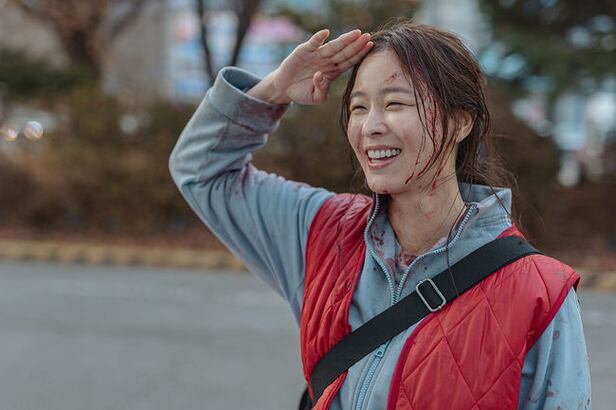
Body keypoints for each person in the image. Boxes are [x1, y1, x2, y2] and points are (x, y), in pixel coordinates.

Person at [169, 20, 591, 410]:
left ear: (461, 122)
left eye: (395, 103)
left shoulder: (538, 293)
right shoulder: (324, 232)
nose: (370, 126)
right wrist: (276, 88)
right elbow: (201, 171)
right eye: (358, 107)